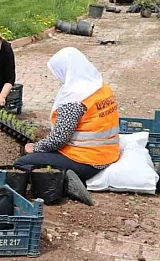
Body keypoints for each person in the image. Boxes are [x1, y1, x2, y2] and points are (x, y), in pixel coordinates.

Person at [14, 47, 121, 206]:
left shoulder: (75, 99)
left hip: (86, 161)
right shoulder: (101, 87)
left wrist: (35, 147)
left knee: (21, 164)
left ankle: (66, 184)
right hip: (109, 153)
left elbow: (59, 140)